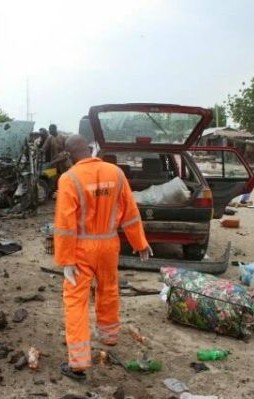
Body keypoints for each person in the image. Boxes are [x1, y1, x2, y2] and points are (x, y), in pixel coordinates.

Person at [53, 135, 152, 380]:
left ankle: (78, 363)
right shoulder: (116, 173)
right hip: (109, 244)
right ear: (90, 149)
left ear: (68, 156)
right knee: (108, 289)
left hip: (81, 249)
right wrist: (140, 243)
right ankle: (109, 335)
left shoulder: (69, 179)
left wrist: (65, 259)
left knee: (76, 300)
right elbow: (130, 212)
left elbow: (65, 224)